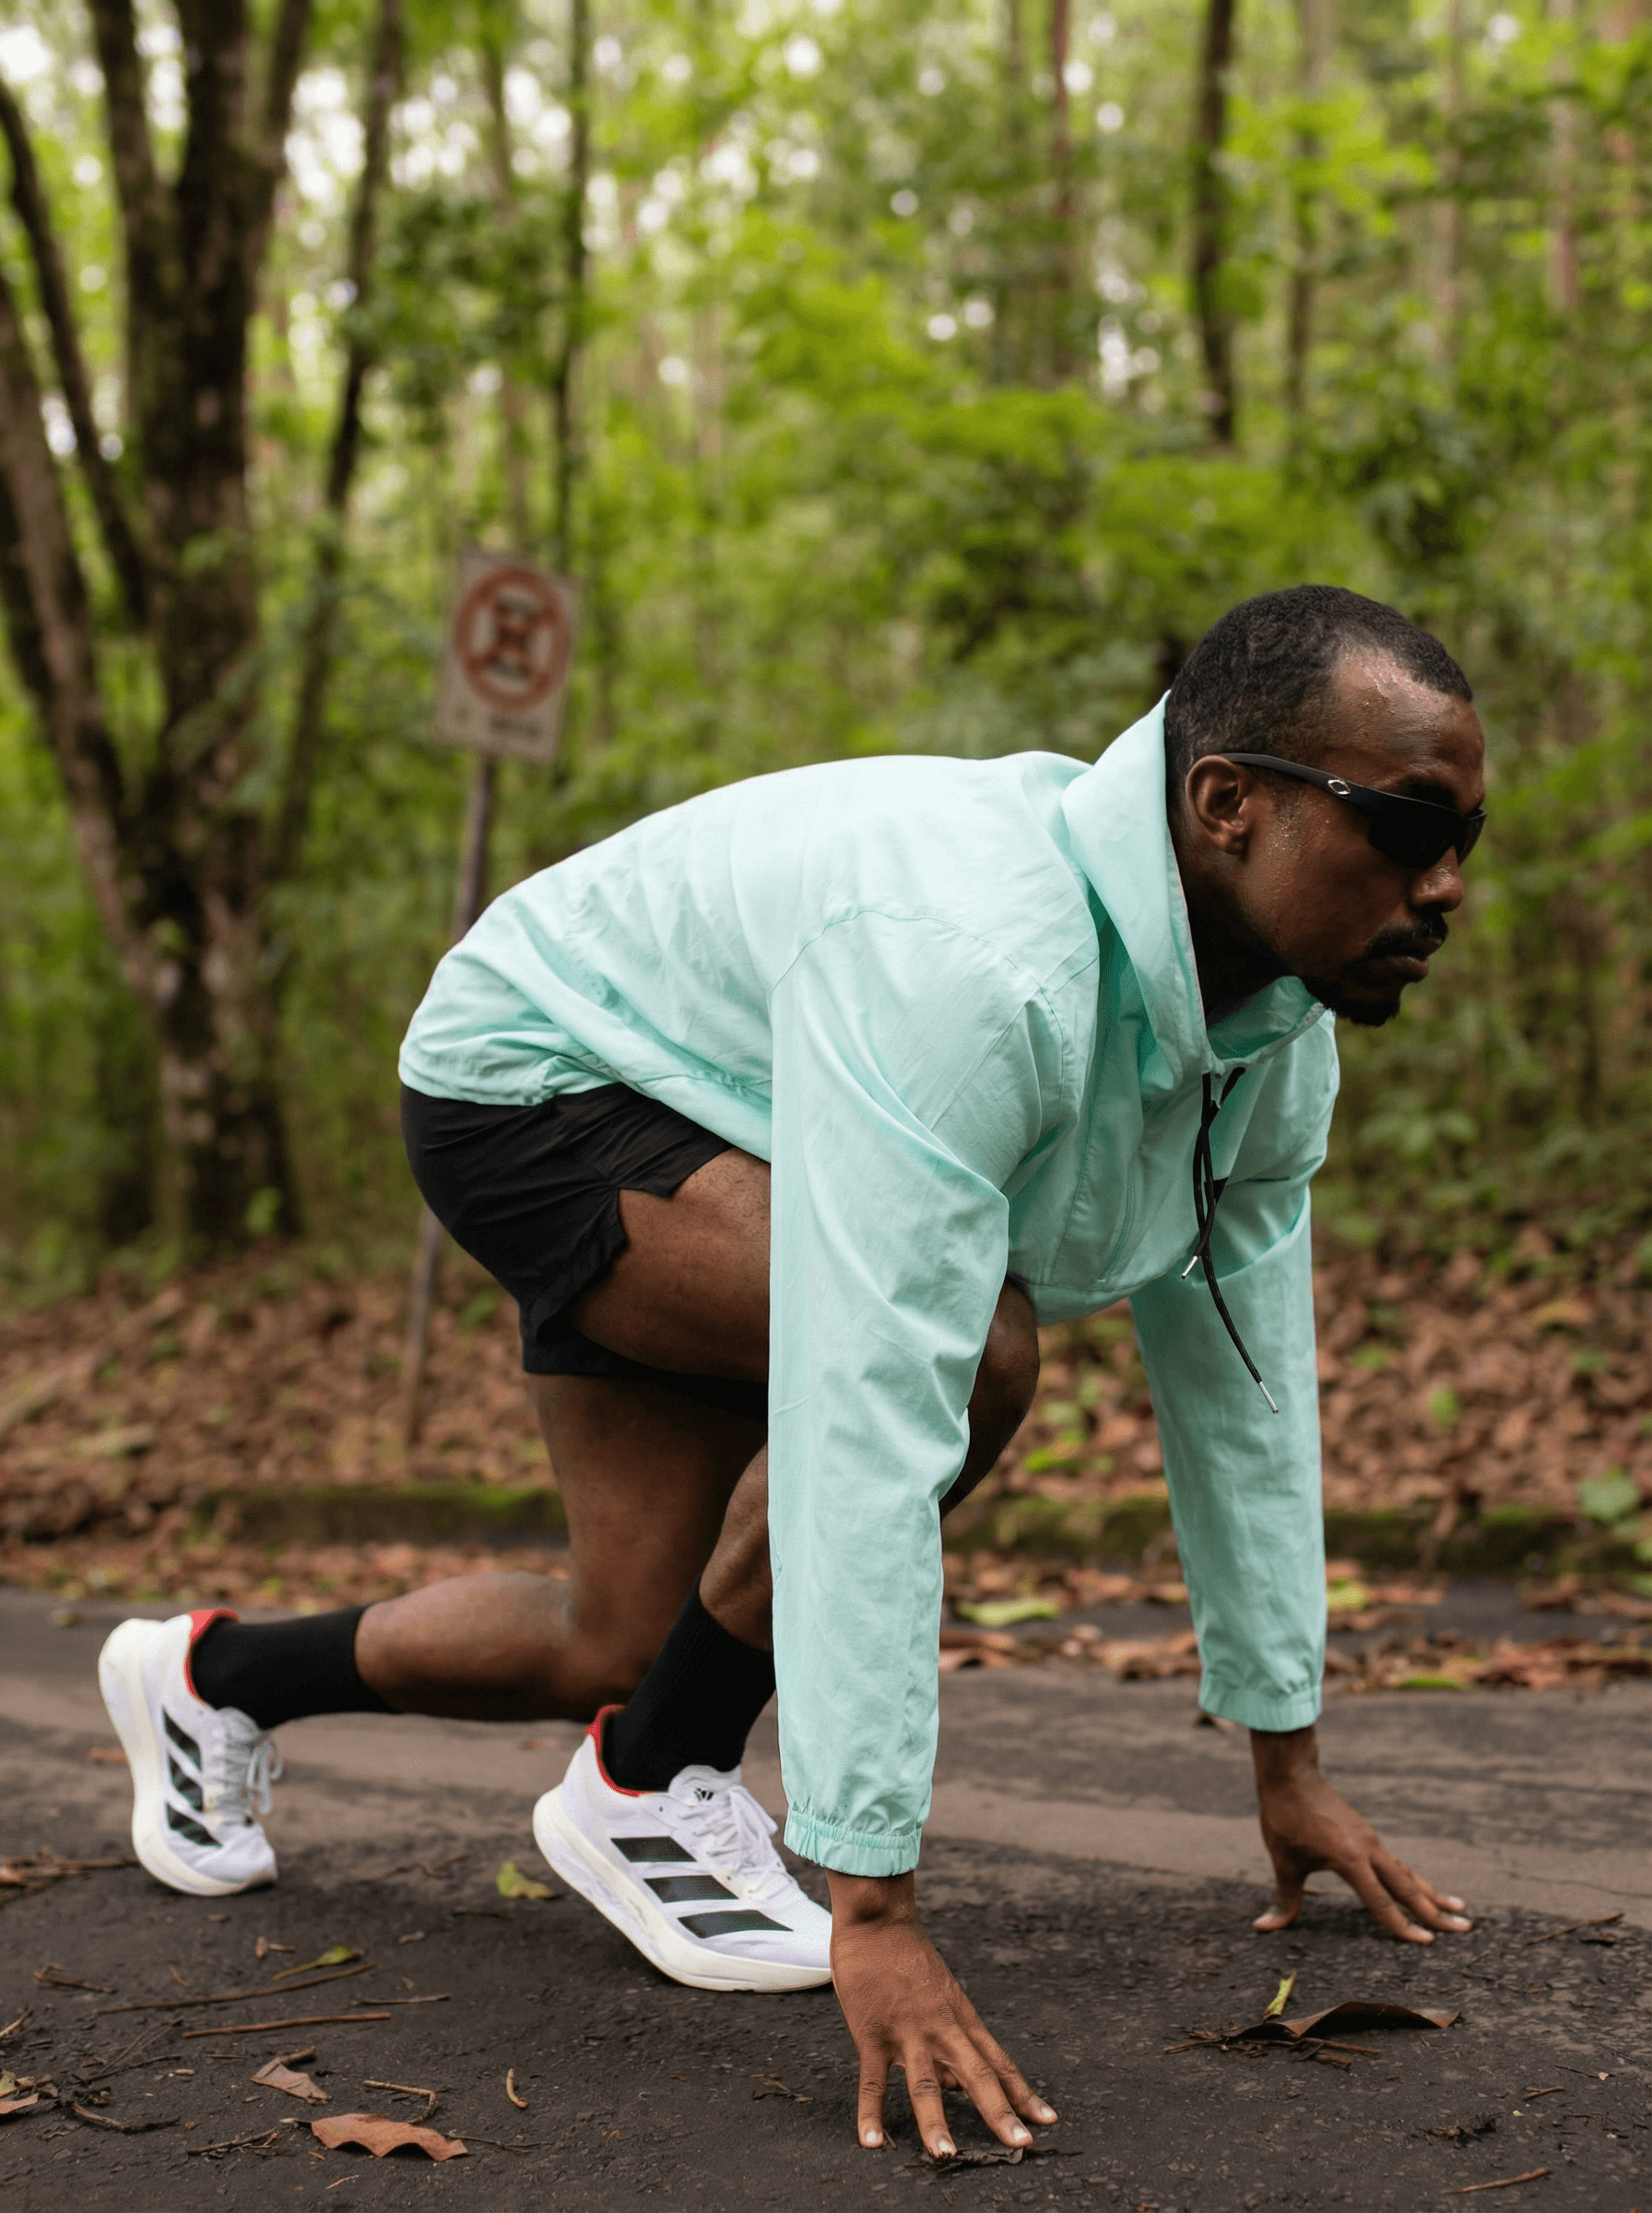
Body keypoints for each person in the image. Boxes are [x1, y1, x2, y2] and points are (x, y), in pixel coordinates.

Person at [99, 585, 1482, 2161]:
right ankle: (651, 1782)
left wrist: (1285, 1753)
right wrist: (870, 1903)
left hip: (724, 1091)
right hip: (540, 1072)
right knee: (968, 1355)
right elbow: (872, 1401)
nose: (1442, 886)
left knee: (621, 1632)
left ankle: (204, 1680)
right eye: (1402, 825)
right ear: (1227, 803)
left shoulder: (1277, 1034)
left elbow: (1243, 1379)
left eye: (1468, 841)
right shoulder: (978, 960)